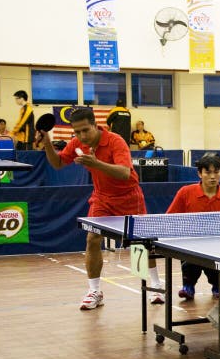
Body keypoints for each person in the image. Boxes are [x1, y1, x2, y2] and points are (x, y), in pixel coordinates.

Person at [38, 108, 163, 310]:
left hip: (129, 196)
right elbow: (58, 163)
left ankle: (156, 286)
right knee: (92, 239)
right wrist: (47, 142)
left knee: (140, 244)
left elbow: (124, 173)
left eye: (85, 130)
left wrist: (97, 163)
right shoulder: (78, 143)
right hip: (102, 198)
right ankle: (94, 291)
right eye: (77, 132)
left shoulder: (116, 141)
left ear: (96, 126)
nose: (81, 136)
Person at [167, 152, 220, 300]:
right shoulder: (186, 192)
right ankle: (188, 286)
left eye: (216, 172)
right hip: (191, 243)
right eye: (208, 172)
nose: (213, 176)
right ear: (200, 173)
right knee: (189, 264)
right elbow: (170, 218)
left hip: (217, 244)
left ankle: (218, 286)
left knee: (218, 277)